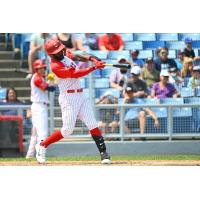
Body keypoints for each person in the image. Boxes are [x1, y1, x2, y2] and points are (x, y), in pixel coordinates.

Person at [35, 38, 111, 164]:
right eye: (58, 51)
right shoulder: (55, 66)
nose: (61, 52)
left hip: (81, 95)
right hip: (68, 99)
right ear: (52, 54)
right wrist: (94, 68)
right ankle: (42, 145)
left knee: (92, 124)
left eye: (61, 49)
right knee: (67, 130)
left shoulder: (65, 54)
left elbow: (81, 56)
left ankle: (104, 154)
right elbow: (75, 74)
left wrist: (94, 59)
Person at [26, 59, 56, 159]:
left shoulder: (39, 77)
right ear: (36, 69)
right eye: (39, 68)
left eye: (43, 68)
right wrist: (51, 80)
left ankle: (29, 155)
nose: (42, 70)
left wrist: (49, 79)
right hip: (39, 108)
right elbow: (50, 89)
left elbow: (47, 85)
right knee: (43, 133)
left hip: (38, 106)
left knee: (35, 134)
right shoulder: (37, 79)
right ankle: (41, 154)